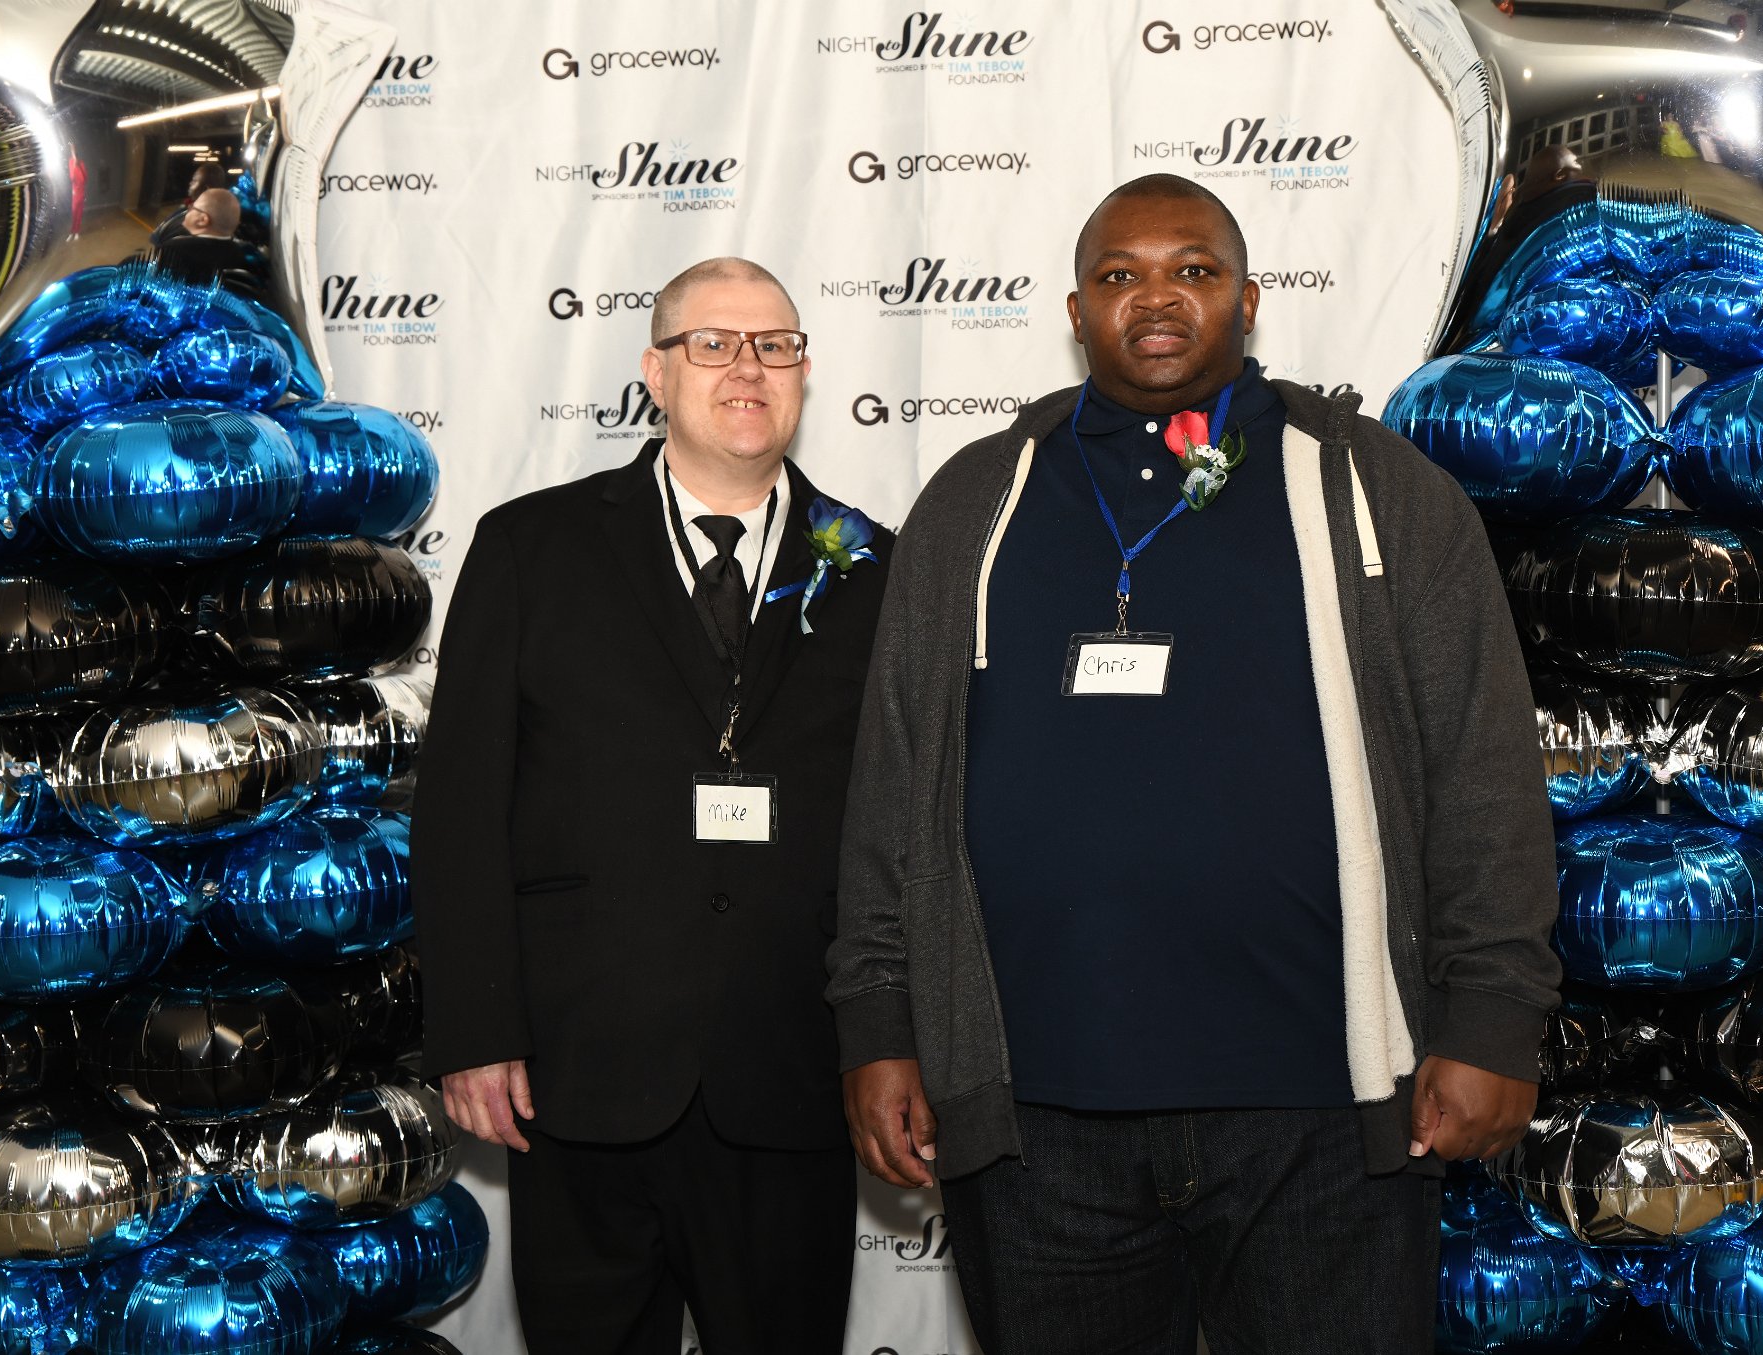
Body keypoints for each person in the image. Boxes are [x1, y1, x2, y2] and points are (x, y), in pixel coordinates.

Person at [828, 174, 1560, 1354]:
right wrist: (877, 1020)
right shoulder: (973, 502)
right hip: (1035, 1118)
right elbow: (894, 785)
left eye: (1194, 270)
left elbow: (1480, 770)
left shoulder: (1378, 490)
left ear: (1248, 300)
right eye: (1119, 274)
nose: (1156, 297)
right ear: (1076, 310)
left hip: (1322, 1114)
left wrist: (1490, 1018)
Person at [414, 258, 892, 1354]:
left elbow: (898, 828)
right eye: (712, 344)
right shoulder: (531, 546)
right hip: (582, 1069)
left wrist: (891, 1038)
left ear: (803, 372)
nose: (747, 368)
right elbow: (460, 805)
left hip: (790, 1069)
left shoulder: (875, 566)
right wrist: (474, 1029)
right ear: (655, 373)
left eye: (775, 345)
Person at [152, 187, 256, 284]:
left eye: (192, 207)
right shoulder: (239, 254)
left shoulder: (174, 250)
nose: (188, 210)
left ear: (202, 220)